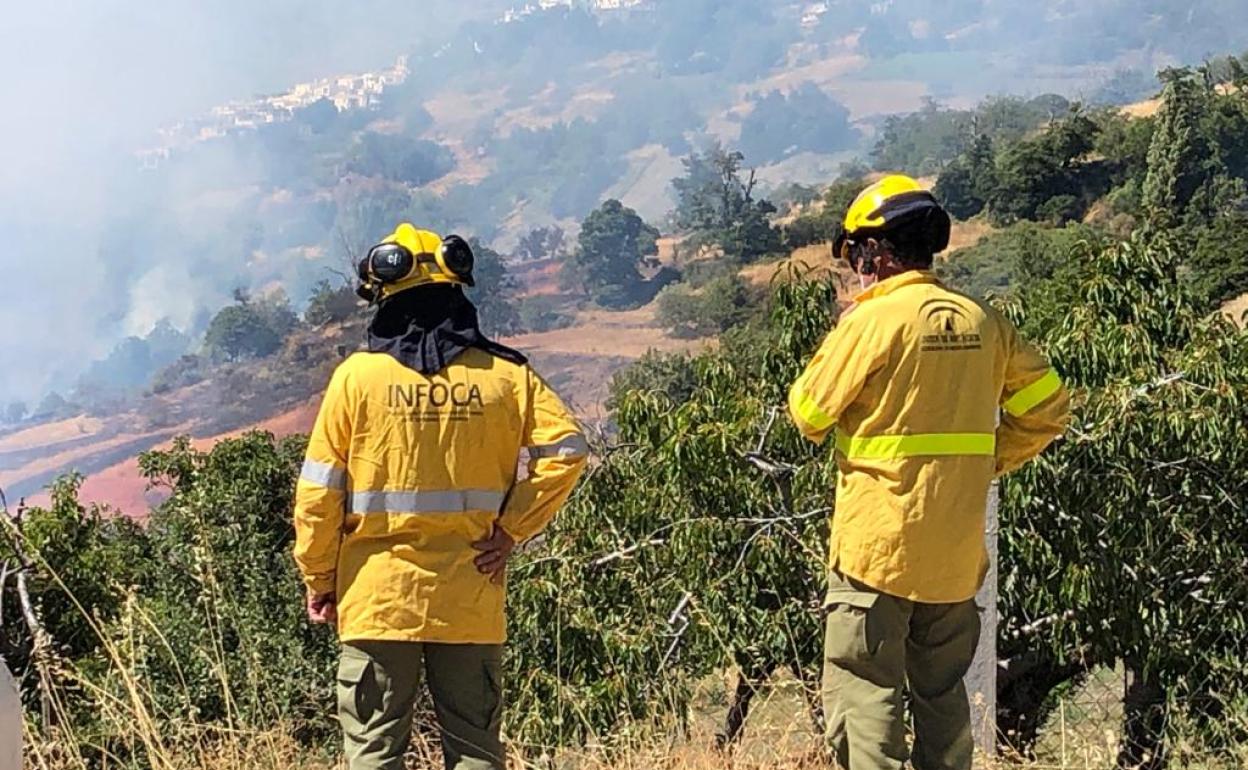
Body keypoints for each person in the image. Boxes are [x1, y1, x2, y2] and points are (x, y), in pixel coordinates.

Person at [787, 176, 1070, 770]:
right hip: (953, 556)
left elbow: (809, 413)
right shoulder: (983, 320)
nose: (853, 268)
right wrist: (989, 460)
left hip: (877, 549)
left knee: (865, 692)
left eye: (853, 254)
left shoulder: (873, 321)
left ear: (874, 251)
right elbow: (1048, 406)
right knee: (942, 697)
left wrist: (843, 329)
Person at [293, 223, 588, 770]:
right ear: (458, 290)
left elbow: (318, 495)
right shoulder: (508, 375)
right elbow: (567, 450)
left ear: (384, 297)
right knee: (476, 751)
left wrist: (320, 580)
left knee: (373, 753)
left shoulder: (355, 379)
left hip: (376, 597)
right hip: (471, 595)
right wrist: (512, 529)